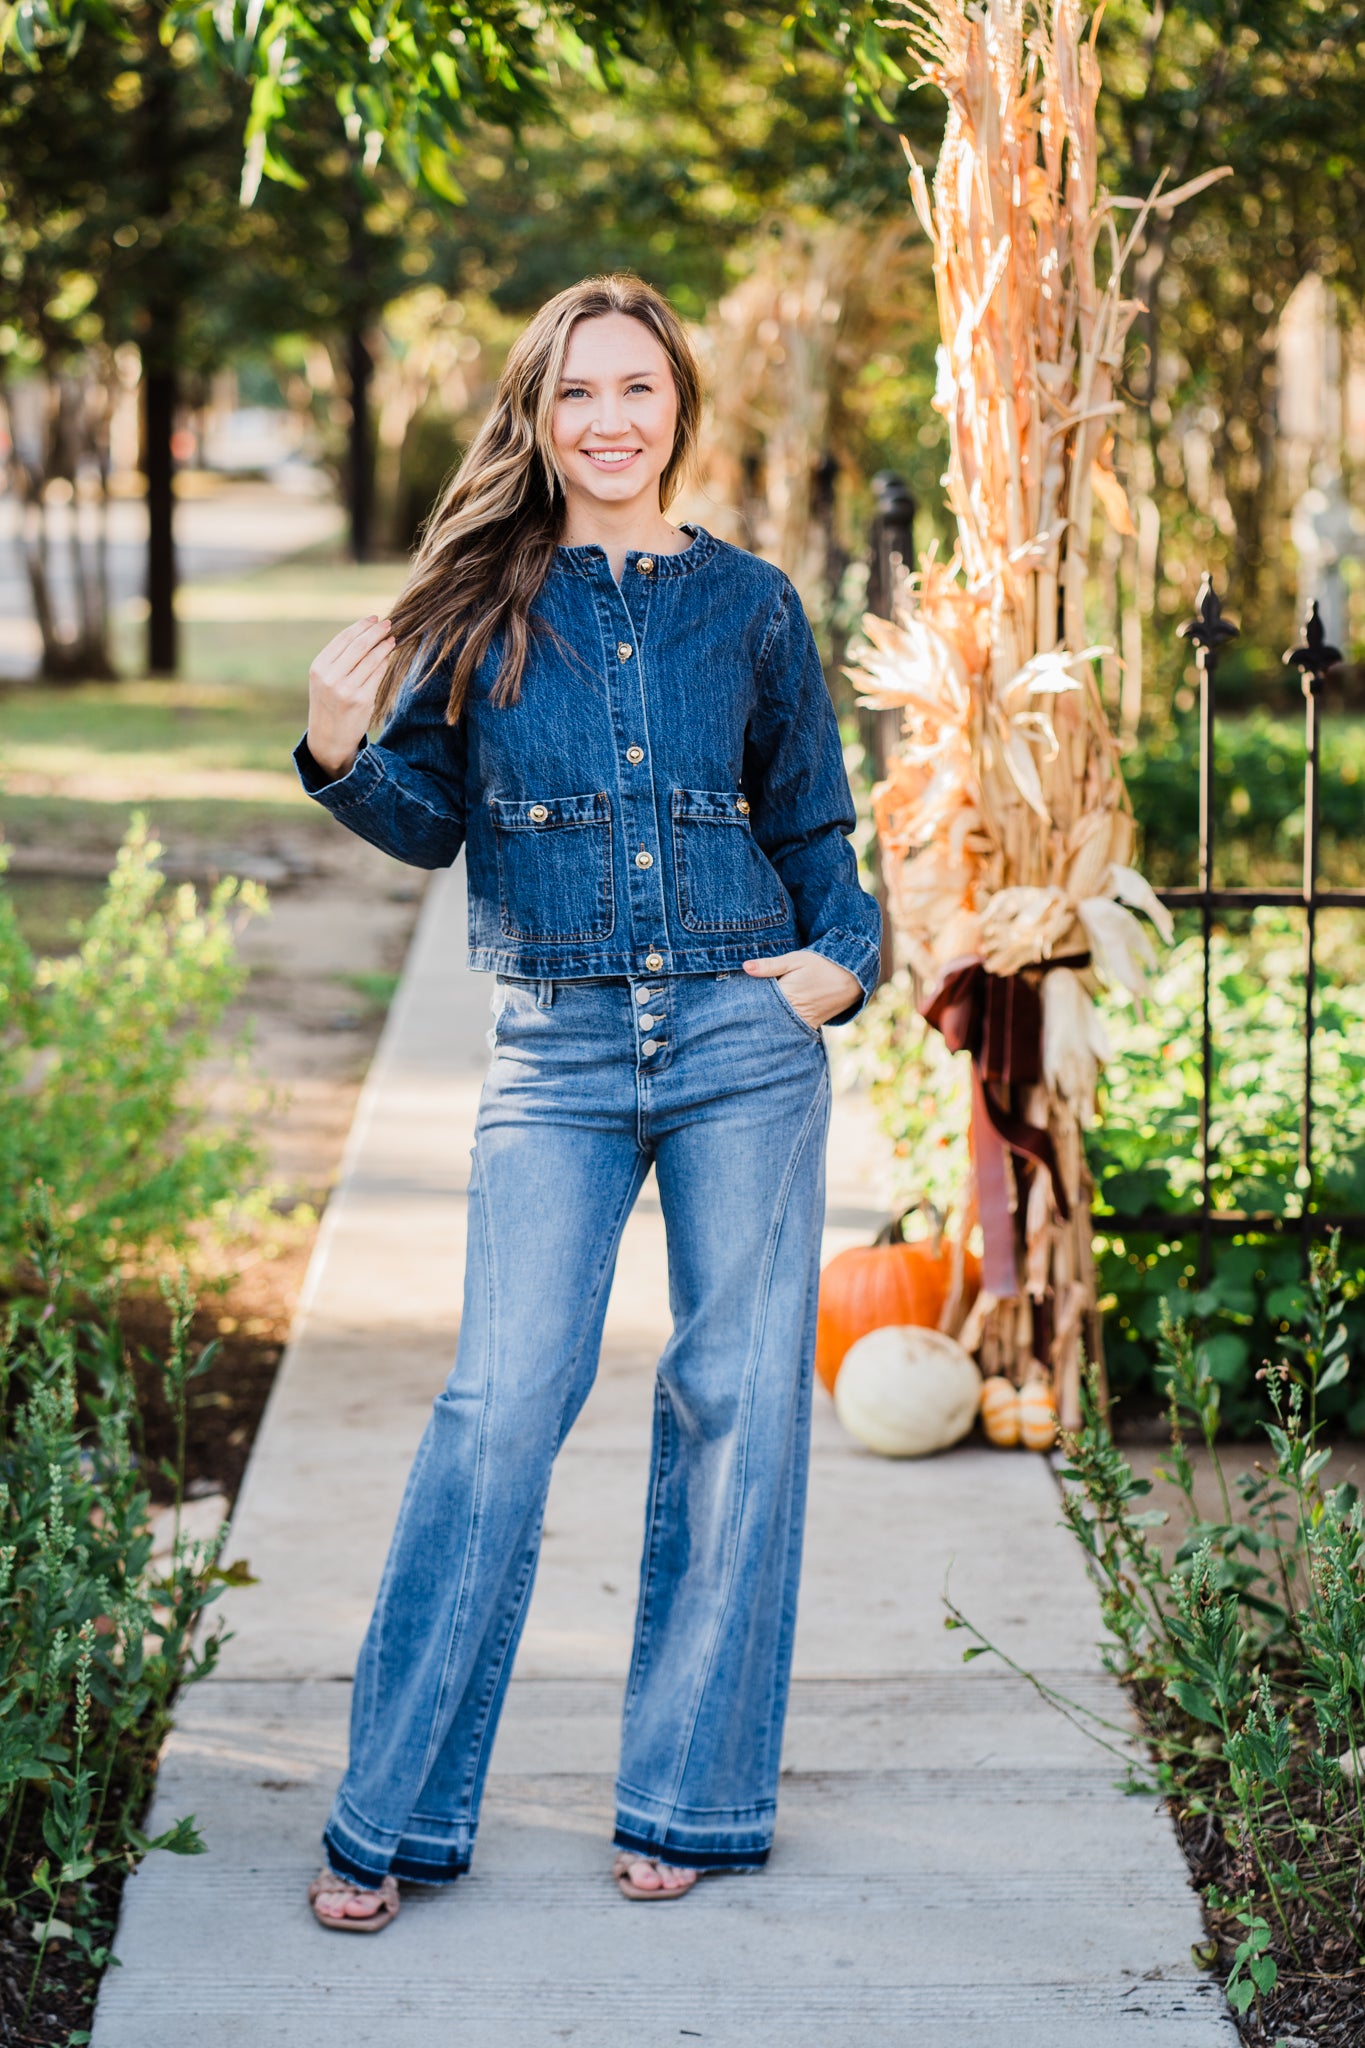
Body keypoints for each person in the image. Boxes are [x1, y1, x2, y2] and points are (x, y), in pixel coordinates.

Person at [294, 273, 882, 1931]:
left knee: (734, 1413)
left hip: (737, 1040)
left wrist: (843, 958)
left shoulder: (752, 604)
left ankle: (692, 1800)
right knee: (497, 1414)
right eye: (575, 395)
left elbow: (815, 827)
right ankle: (391, 1814)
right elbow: (421, 821)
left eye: (637, 389)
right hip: (550, 1051)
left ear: (679, 407)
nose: (609, 421)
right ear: (536, 420)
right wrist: (339, 749)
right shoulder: (476, 601)